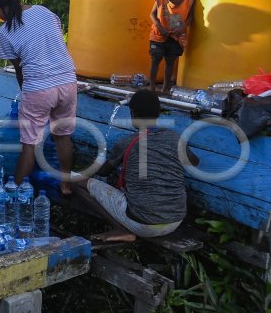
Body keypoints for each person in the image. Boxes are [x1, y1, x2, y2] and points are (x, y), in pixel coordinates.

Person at [0, 0, 78, 193]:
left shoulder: (5, 31)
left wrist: (26, 95)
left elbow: (20, 69)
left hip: (38, 88)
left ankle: (15, 191)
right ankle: (66, 186)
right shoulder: (43, 11)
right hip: (67, 81)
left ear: (2, 9)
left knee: (29, 145)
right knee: (62, 137)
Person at [79, 89, 198, 242]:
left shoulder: (127, 142)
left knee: (77, 184)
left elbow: (102, 173)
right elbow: (194, 162)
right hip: (175, 220)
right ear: (159, 113)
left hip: (142, 225)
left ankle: (121, 230)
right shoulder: (176, 138)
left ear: (133, 114)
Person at [148, 0, 195, 94]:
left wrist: (184, 27)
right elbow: (152, 14)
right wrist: (160, 27)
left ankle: (165, 88)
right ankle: (151, 87)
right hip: (158, 35)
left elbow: (191, 16)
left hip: (176, 37)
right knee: (155, 60)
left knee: (170, 62)